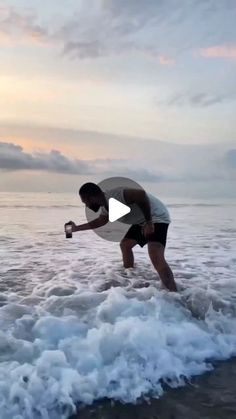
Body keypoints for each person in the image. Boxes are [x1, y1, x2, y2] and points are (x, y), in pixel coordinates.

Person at [69, 182, 177, 292]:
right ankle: (129, 275)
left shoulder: (116, 195)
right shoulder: (106, 206)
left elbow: (141, 194)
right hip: (141, 221)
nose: (86, 205)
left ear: (91, 197)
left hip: (156, 217)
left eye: (86, 202)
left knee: (155, 254)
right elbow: (100, 221)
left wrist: (149, 223)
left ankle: (173, 293)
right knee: (125, 244)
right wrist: (76, 228)